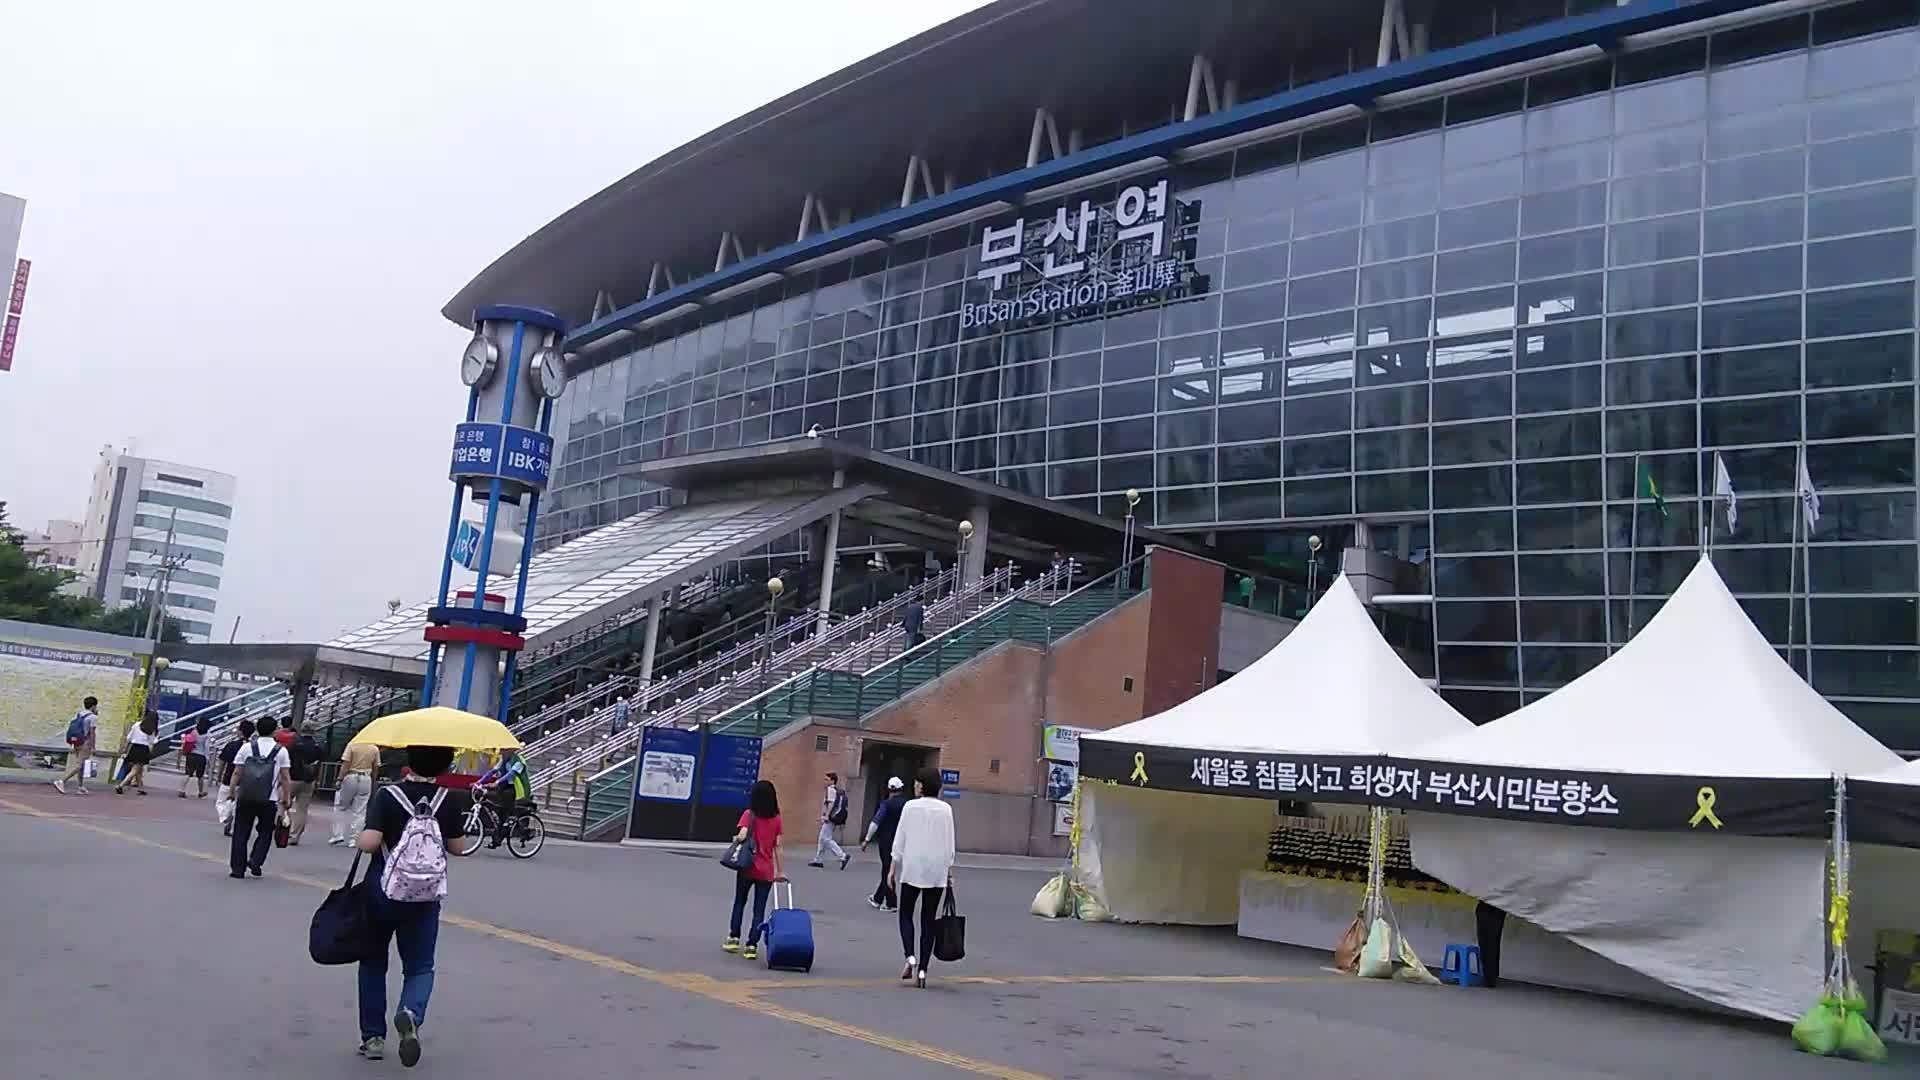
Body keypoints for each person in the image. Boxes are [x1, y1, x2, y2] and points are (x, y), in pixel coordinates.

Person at [356, 744, 465, 1066]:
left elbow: (370, 843)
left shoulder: (388, 795)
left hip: (382, 892)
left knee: (373, 963)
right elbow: (458, 847)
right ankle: (410, 1013)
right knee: (419, 966)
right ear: (444, 765)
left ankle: (373, 1038)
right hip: (424, 897)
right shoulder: (449, 799)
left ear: (409, 760)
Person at [890, 766, 957, 988]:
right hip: (936, 869)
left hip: (913, 866)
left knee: (906, 913)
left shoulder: (910, 807)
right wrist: (949, 871)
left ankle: (910, 956)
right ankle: (923, 970)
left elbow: (900, 840)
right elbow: (950, 844)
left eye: (917, 782)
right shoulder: (946, 810)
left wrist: (892, 868)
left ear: (921, 785)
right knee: (929, 920)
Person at [724, 779, 784, 960]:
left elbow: (742, 836)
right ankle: (751, 945)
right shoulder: (777, 819)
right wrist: (780, 872)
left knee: (740, 902)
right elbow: (778, 847)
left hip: (747, 867)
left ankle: (734, 938)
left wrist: (738, 836)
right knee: (759, 909)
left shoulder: (749, 815)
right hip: (766, 871)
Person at [227, 716, 290, 879]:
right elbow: (285, 777)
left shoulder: (247, 748)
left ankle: (237, 869)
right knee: (265, 832)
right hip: (269, 798)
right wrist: (287, 798)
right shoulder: (281, 751)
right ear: (275, 730)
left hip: (246, 795)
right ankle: (256, 860)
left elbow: (237, 771)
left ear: (257, 730)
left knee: (241, 831)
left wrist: (232, 790)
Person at [861, 776, 908, 910]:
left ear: (889, 789)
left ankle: (891, 903)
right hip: (900, 840)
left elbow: (876, 822)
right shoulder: (906, 805)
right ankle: (877, 898)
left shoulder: (886, 804)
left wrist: (867, 839)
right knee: (888, 869)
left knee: (887, 869)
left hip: (886, 841)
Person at [471, 749, 531, 849]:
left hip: (515, 790)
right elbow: (492, 771)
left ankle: (501, 836)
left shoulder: (519, 761)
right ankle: (496, 839)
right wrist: (479, 782)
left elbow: (511, 774)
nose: (501, 752)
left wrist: (497, 782)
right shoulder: (503, 760)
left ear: (511, 750)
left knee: (504, 813)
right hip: (504, 787)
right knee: (497, 809)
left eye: (504, 750)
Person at [332, 737, 379, 846]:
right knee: (360, 810)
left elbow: (346, 764)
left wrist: (339, 779)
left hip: (351, 776)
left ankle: (338, 834)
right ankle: (354, 838)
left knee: (341, 807)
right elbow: (376, 767)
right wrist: (373, 780)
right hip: (366, 778)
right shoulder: (374, 748)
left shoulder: (352, 745)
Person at [53, 696, 99, 795]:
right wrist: (93, 746)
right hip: (85, 742)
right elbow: (92, 733)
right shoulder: (93, 717)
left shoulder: (80, 714)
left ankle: (80, 786)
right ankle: (62, 781)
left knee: (81, 765)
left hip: (76, 741)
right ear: (94, 706)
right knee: (80, 765)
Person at [285, 725, 323, 844]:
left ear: (302, 730)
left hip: (292, 778)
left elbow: (287, 760)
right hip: (308, 780)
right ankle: (295, 836)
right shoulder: (317, 747)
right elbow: (319, 764)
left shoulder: (294, 744)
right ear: (314, 731)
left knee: (283, 804)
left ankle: (282, 828)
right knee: (302, 809)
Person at [216, 719, 255, 835]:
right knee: (237, 805)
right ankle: (231, 823)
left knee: (221, 802)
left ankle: (224, 816)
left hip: (228, 778)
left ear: (240, 731)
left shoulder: (231, 745)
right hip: (245, 781)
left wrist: (219, 775)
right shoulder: (253, 748)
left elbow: (222, 761)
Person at [809, 771, 849, 869]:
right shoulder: (835, 790)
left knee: (826, 839)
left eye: (827, 779)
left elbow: (830, 803)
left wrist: (826, 816)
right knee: (822, 838)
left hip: (830, 817)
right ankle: (818, 859)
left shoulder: (830, 790)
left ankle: (842, 856)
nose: (825, 781)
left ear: (832, 781)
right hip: (834, 817)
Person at [115, 712, 159, 795]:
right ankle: (121, 785)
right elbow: (151, 742)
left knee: (138, 770)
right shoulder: (152, 729)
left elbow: (129, 738)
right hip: (143, 749)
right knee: (135, 770)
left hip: (134, 747)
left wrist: (125, 749)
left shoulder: (137, 725)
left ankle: (140, 788)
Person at [1474, 899, 1507, 989]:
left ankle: (1489, 977)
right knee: (1493, 943)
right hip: (1497, 907)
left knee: (1486, 944)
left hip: (1488, 908)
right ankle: (1491, 976)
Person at [178, 717, 212, 798]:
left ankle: (181, 790)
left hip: (191, 754)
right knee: (200, 776)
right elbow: (207, 747)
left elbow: (187, 741)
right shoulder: (207, 734)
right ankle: (200, 792)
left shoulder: (194, 731)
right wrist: (208, 758)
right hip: (201, 756)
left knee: (188, 773)